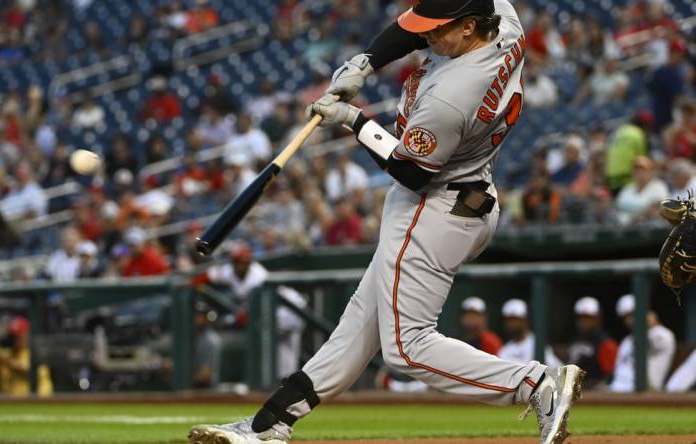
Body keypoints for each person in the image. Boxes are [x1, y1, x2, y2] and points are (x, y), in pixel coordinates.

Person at [190, 2, 584, 444]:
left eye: (438, 31)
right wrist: (367, 62)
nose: (427, 37)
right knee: (361, 324)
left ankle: (534, 384)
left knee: (407, 348)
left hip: (431, 205)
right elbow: (418, 29)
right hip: (467, 196)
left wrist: (355, 121)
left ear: (469, 27)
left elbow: (412, 171)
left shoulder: (451, 96)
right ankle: (270, 425)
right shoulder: (503, 20)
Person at [192, 242, 307, 379]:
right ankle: (278, 382)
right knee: (277, 347)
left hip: (288, 309)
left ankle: (280, 382)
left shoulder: (258, 276)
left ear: (249, 262)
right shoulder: (230, 270)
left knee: (283, 347)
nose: (239, 265)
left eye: (242, 262)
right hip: (271, 311)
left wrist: (235, 318)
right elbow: (209, 275)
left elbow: (255, 311)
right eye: (236, 261)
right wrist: (192, 282)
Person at [610, 294, 676, 392]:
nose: (630, 319)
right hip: (615, 390)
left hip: (643, 393)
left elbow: (652, 342)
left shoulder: (663, 334)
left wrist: (652, 324)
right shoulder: (626, 341)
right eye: (626, 317)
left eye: (633, 314)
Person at [566, 296, 617, 389]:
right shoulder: (575, 339)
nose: (583, 321)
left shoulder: (606, 343)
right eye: (580, 317)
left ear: (598, 318)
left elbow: (610, 377)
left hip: (595, 392)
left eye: (588, 317)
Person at [498, 299, 562, 367]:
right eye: (508, 320)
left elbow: (555, 369)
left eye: (515, 319)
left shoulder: (538, 344)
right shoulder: (505, 350)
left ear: (524, 320)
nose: (511, 324)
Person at [615, 156, 669, 224]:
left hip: (650, 228)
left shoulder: (658, 186)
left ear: (651, 172)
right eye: (636, 170)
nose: (639, 173)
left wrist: (637, 215)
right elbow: (619, 205)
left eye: (643, 170)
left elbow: (657, 207)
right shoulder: (627, 188)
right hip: (626, 229)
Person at [0, 316, 31, 397]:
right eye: (13, 336)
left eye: (18, 336)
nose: (15, 340)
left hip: (36, 400)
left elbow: (22, 368)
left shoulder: (32, 352)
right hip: (9, 400)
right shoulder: (8, 352)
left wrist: (1, 358)